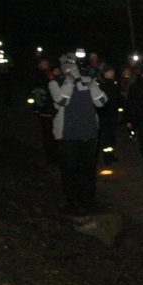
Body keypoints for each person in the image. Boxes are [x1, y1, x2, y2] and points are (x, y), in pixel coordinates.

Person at [49, 53, 108, 214]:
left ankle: (88, 200)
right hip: (68, 136)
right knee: (70, 170)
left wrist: (91, 84)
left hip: (89, 134)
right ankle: (73, 202)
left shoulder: (86, 82)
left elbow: (102, 102)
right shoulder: (56, 83)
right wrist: (69, 81)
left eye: (74, 65)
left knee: (88, 170)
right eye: (67, 66)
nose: (72, 68)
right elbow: (61, 101)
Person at [95, 63, 122, 166]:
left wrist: (120, 111)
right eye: (110, 71)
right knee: (105, 137)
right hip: (104, 115)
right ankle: (106, 158)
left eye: (113, 71)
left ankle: (111, 155)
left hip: (113, 114)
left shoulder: (115, 84)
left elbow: (118, 99)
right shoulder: (100, 84)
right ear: (104, 73)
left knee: (112, 137)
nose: (112, 73)